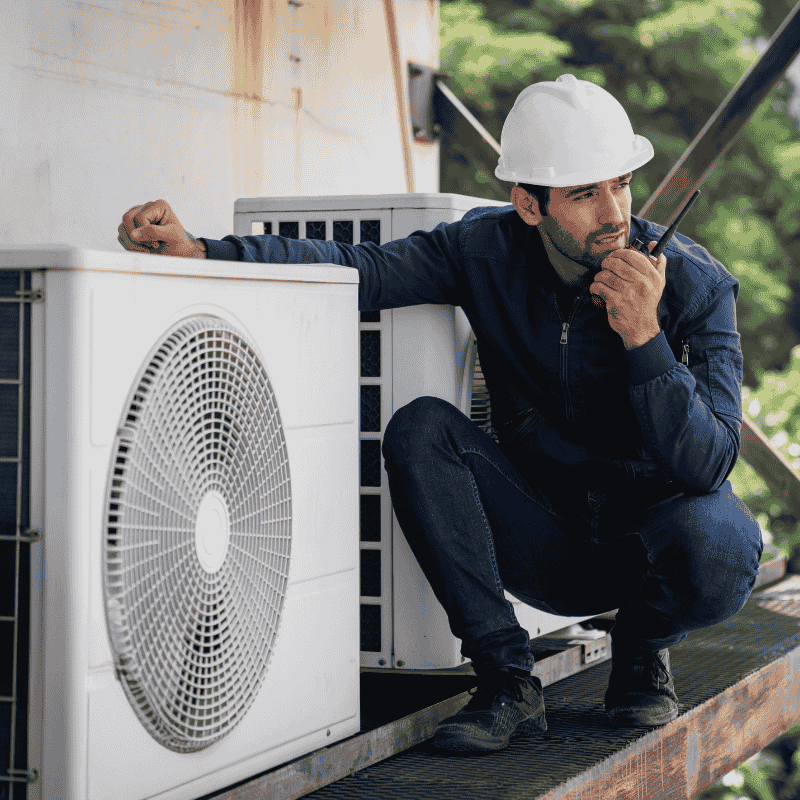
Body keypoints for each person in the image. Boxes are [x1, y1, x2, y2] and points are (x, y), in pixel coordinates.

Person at [118, 73, 762, 753]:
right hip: (546, 535)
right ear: (529, 205)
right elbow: (358, 267)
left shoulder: (697, 284)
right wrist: (206, 252)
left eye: (621, 184)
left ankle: (641, 647)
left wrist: (644, 339)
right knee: (421, 428)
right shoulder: (483, 249)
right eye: (583, 193)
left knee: (725, 543)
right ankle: (507, 679)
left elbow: (710, 464)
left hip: (648, 545)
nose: (614, 212)